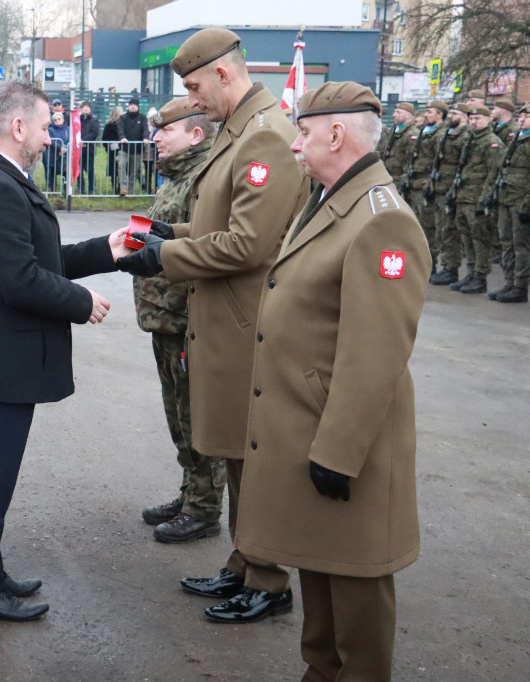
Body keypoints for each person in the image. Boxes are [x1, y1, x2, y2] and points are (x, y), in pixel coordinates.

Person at [236, 81, 431, 681]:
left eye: (304, 132)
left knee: (356, 602)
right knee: (319, 582)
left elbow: (376, 355)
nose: (295, 145)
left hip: (344, 448)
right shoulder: (331, 199)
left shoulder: (382, 221)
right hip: (310, 432)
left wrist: (339, 454)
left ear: (337, 134)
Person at [115, 28, 307, 624]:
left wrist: (164, 257)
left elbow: (249, 245)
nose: (192, 99)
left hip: (247, 323)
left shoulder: (266, 137)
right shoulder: (240, 131)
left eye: (196, 86)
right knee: (234, 453)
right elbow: (215, 221)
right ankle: (245, 564)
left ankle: (268, 581)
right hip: (223, 317)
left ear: (225, 74)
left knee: (253, 457)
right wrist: (167, 236)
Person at [0, 78, 124, 621]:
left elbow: (40, 256)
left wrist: (108, 249)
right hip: (5, 359)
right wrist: (81, 301)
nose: (51, 138)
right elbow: (20, 279)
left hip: (3, 356)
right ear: (18, 126)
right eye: (47, 127)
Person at [134, 98, 226, 544]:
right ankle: (191, 492)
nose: (156, 138)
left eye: (164, 131)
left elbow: (208, 248)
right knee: (178, 415)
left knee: (197, 417)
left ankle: (205, 508)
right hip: (165, 318)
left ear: (194, 134)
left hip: (187, 318)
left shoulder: (203, 179)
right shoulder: (178, 175)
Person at [450, 105, 503, 294]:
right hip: (464, 196)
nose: (473, 122)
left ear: (488, 120)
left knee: (480, 239)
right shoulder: (471, 140)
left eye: (478, 119)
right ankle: (471, 272)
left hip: (477, 198)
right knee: (466, 237)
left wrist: (484, 199)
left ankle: (480, 276)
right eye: (471, 119)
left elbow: (493, 173)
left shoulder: (491, 142)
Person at [488, 104, 530, 303]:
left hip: (521, 201)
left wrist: (527, 206)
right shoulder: (517, 139)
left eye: (526, 116)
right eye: (520, 116)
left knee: (520, 244)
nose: (521, 119)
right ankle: (509, 281)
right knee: (506, 241)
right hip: (506, 196)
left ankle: (520, 286)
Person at [431, 104, 473, 289]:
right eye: (451, 113)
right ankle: (446, 265)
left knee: (450, 230)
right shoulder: (448, 134)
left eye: (455, 114)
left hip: (453, 189)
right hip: (441, 187)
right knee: (442, 229)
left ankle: (451, 267)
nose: (450, 116)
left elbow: (463, 165)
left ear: (464, 117)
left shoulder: (464, 136)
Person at [406, 101, 448, 276]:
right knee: (417, 226)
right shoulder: (426, 131)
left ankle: (429, 265)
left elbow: (438, 162)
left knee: (429, 228)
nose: (426, 115)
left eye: (429, 112)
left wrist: (430, 184)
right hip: (416, 183)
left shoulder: (441, 134)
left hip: (428, 185)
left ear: (440, 115)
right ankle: (419, 263)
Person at [380, 102, 419, 191]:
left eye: (398, 112)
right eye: (394, 112)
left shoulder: (412, 133)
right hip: (389, 178)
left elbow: (410, 160)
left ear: (408, 116)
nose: (394, 115)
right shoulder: (394, 131)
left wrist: (403, 180)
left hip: (399, 181)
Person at [117, 97, 149, 196]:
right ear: (128, 106)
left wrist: (145, 138)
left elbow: (145, 129)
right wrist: (122, 137)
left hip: (137, 149)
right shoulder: (123, 118)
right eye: (131, 105)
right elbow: (120, 129)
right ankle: (123, 187)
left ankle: (131, 191)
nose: (133, 107)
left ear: (138, 107)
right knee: (121, 165)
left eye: (135, 105)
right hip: (124, 148)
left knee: (134, 170)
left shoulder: (142, 118)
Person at [78, 101, 99, 194]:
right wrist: (79, 141)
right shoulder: (78, 119)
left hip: (89, 149)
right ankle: (81, 189)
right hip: (79, 150)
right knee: (79, 171)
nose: (86, 108)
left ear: (90, 109)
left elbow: (95, 132)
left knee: (90, 170)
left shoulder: (94, 120)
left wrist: (84, 140)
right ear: (81, 109)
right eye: (84, 107)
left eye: (87, 107)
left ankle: (91, 189)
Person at [44, 110, 68, 191]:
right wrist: (59, 147)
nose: (57, 121)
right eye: (55, 120)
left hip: (65, 154)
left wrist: (66, 148)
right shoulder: (50, 130)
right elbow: (51, 140)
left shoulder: (67, 129)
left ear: (63, 119)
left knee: (65, 171)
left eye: (59, 119)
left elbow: (70, 140)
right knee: (52, 171)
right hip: (53, 154)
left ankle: (66, 189)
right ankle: (52, 189)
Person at [102, 105, 123, 193]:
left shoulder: (123, 124)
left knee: (121, 170)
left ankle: (120, 187)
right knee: (114, 170)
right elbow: (105, 138)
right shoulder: (109, 125)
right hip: (113, 150)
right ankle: (115, 188)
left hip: (121, 149)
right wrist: (109, 147)